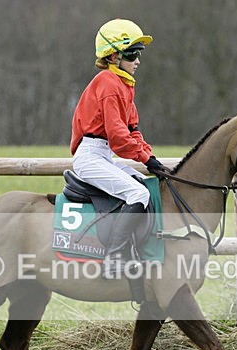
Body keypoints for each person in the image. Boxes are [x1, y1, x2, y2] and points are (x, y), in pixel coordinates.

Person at [70, 18, 168, 279]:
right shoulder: (109, 83)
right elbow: (118, 137)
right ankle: (113, 257)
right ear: (113, 56)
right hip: (91, 156)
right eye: (132, 54)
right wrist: (147, 159)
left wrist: (150, 157)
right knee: (138, 194)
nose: (138, 60)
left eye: (139, 54)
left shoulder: (124, 84)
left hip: (102, 155)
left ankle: (136, 250)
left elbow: (133, 130)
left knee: (144, 185)